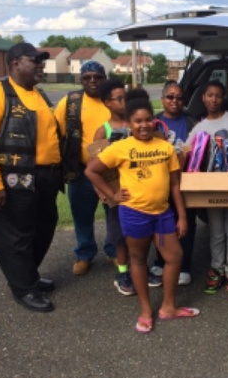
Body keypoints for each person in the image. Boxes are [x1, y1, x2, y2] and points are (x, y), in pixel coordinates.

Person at [85, 89, 200, 334]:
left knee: (175, 256)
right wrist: (112, 194)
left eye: (148, 120)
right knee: (138, 259)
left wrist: (181, 216)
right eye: (138, 121)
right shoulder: (120, 148)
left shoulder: (165, 147)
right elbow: (91, 171)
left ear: (154, 121)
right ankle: (146, 310)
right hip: (135, 213)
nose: (144, 125)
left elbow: (175, 184)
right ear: (129, 123)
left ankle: (168, 307)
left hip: (163, 213)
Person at [0, 42, 62, 312]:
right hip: (10, 178)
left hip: (42, 177)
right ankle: (24, 288)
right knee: (16, 235)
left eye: (42, 61)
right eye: (35, 60)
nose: (40, 65)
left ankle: (27, 275)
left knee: (44, 226)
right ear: (15, 63)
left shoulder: (38, 94)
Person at [186, 80, 228, 299]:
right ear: (203, 98)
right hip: (211, 187)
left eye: (218, 95)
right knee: (216, 232)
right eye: (210, 95)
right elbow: (186, 151)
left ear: (223, 98)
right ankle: (216, 270)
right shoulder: (200, 127)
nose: (214, 99)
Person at [54, 61, 116, 275]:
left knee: (114, 213)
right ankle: (84, 254)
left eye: (98, 77)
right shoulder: (70, 102)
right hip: (80, 171)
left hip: (112, 172)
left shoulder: (113, 100)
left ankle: (113, 250)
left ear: (105, 78)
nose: (93, 81)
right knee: (81, 215)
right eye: (87, 77)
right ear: (80, 80)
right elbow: (57, 132)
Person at [149, 80, 198, 287]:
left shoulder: (193, 122)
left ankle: (184, 267)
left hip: (186, 182)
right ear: (162, 99)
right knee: (162, 223)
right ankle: (161, 261)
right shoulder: (153, 123)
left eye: (179, 98)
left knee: (186, 224)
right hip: (159, 182)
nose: (174, 101)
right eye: (170, 97)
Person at [92, 79, 134, 296]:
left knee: (139, 233)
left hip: (138, 189)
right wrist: (105, 192)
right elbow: (93, 167)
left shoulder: (136, 124)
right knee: (120, 236)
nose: (124, 103)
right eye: (119, 99)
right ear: (107, 102)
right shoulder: (102, 131)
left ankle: (139, 268)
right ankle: (123, 272)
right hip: (117, 193)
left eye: (126, 98)